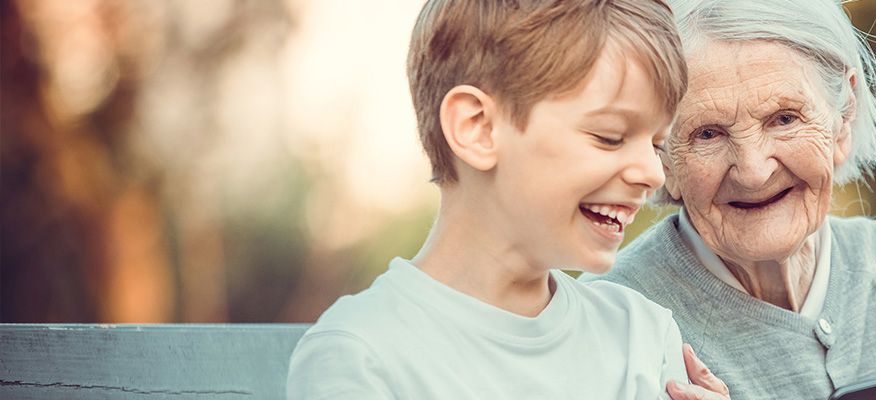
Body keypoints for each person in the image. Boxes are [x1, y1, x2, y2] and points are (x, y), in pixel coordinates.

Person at [590, 0, 876, 398]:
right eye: (708, 133)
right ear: (661, 150)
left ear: (844, 116)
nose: (754, 169)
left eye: (783, 119)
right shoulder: (608, 326)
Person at [286, 0, 704, 398]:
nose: (652, 173)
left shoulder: (643, 336)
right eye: (610, 137)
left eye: (656, 144)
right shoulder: (360, 356)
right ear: (478, 128)